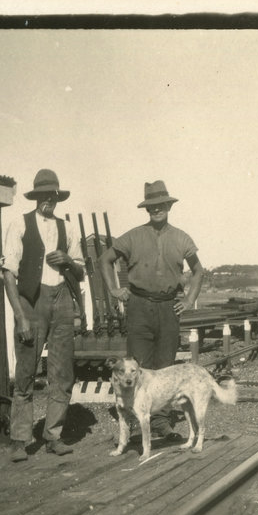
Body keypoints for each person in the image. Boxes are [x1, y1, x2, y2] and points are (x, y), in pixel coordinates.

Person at [99, 180, 205, 440]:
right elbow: (105, 259)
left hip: (169, 307)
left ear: (169, 205)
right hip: (139, 307)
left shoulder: (181, 237)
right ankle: (135, 421)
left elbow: (199, 270)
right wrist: (114, 290)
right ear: (147, 209)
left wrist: (189, 299)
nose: (156, 210)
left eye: (160, 205)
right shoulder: (133, 236)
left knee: (166, 367)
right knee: (136, 366)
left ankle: (160, 422)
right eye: (151, 207)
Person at [1, 169, 85, 462]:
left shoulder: (69, 229)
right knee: (26, 371)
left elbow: (80, 269)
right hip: (31, 302)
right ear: (36, 197)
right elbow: (8, 275)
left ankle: (53, 436)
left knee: (62, 373)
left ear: (57, 197)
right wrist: (21, 316)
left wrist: (67, 262)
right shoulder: (19, 225)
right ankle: (20, 440)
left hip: (61, 298)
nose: (48, 200)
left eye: (53, 195)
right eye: (43, 195)